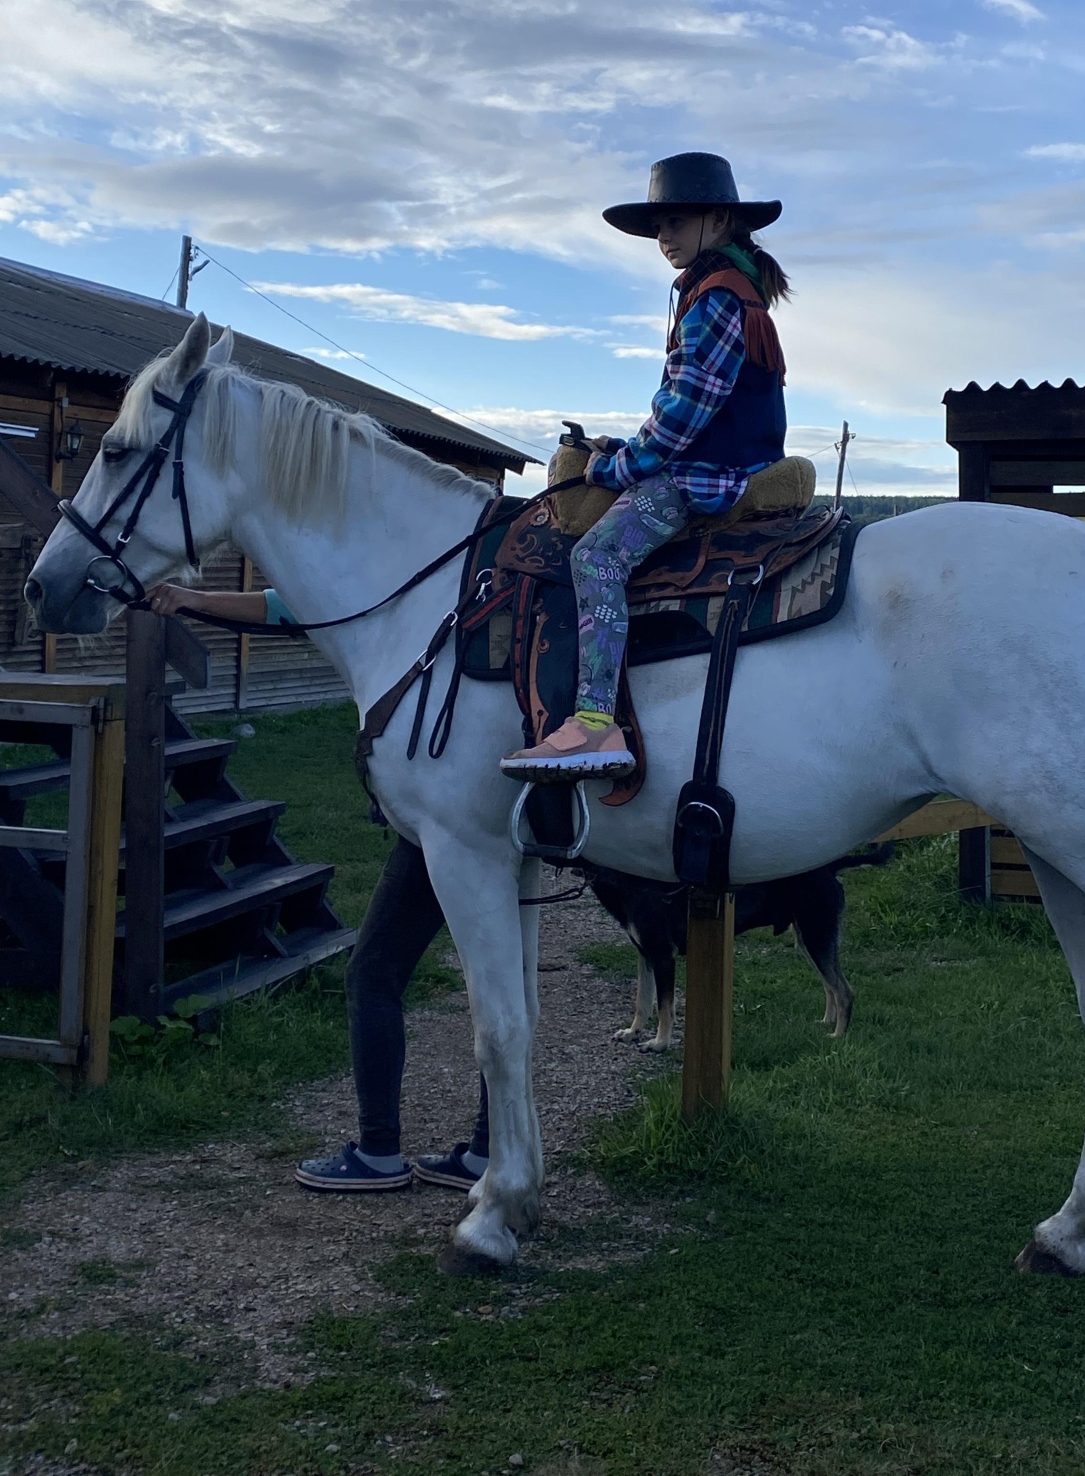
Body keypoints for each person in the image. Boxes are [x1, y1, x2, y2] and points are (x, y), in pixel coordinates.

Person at [148, 579, 490, 1193]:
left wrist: (188, 598)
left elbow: (292, 605)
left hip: (442, 821)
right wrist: (189, 598)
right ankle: (491, 1149)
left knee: (374, 972)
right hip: (483, 814)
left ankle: (380, 1150)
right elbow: (285, 605)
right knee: (493, 977)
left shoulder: (393, 587)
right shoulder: (442, 585)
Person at [502, 151, 791, 780]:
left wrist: (611, 468)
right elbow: (683, 409)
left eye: (676, 221)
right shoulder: (730, 292)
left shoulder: (716, 299)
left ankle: (595, 724)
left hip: (705, 478)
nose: (663, 237)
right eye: (657, 225)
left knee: (595, 556)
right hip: (719, 461)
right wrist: (624, 446)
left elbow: (680, 423)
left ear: (719, 220)